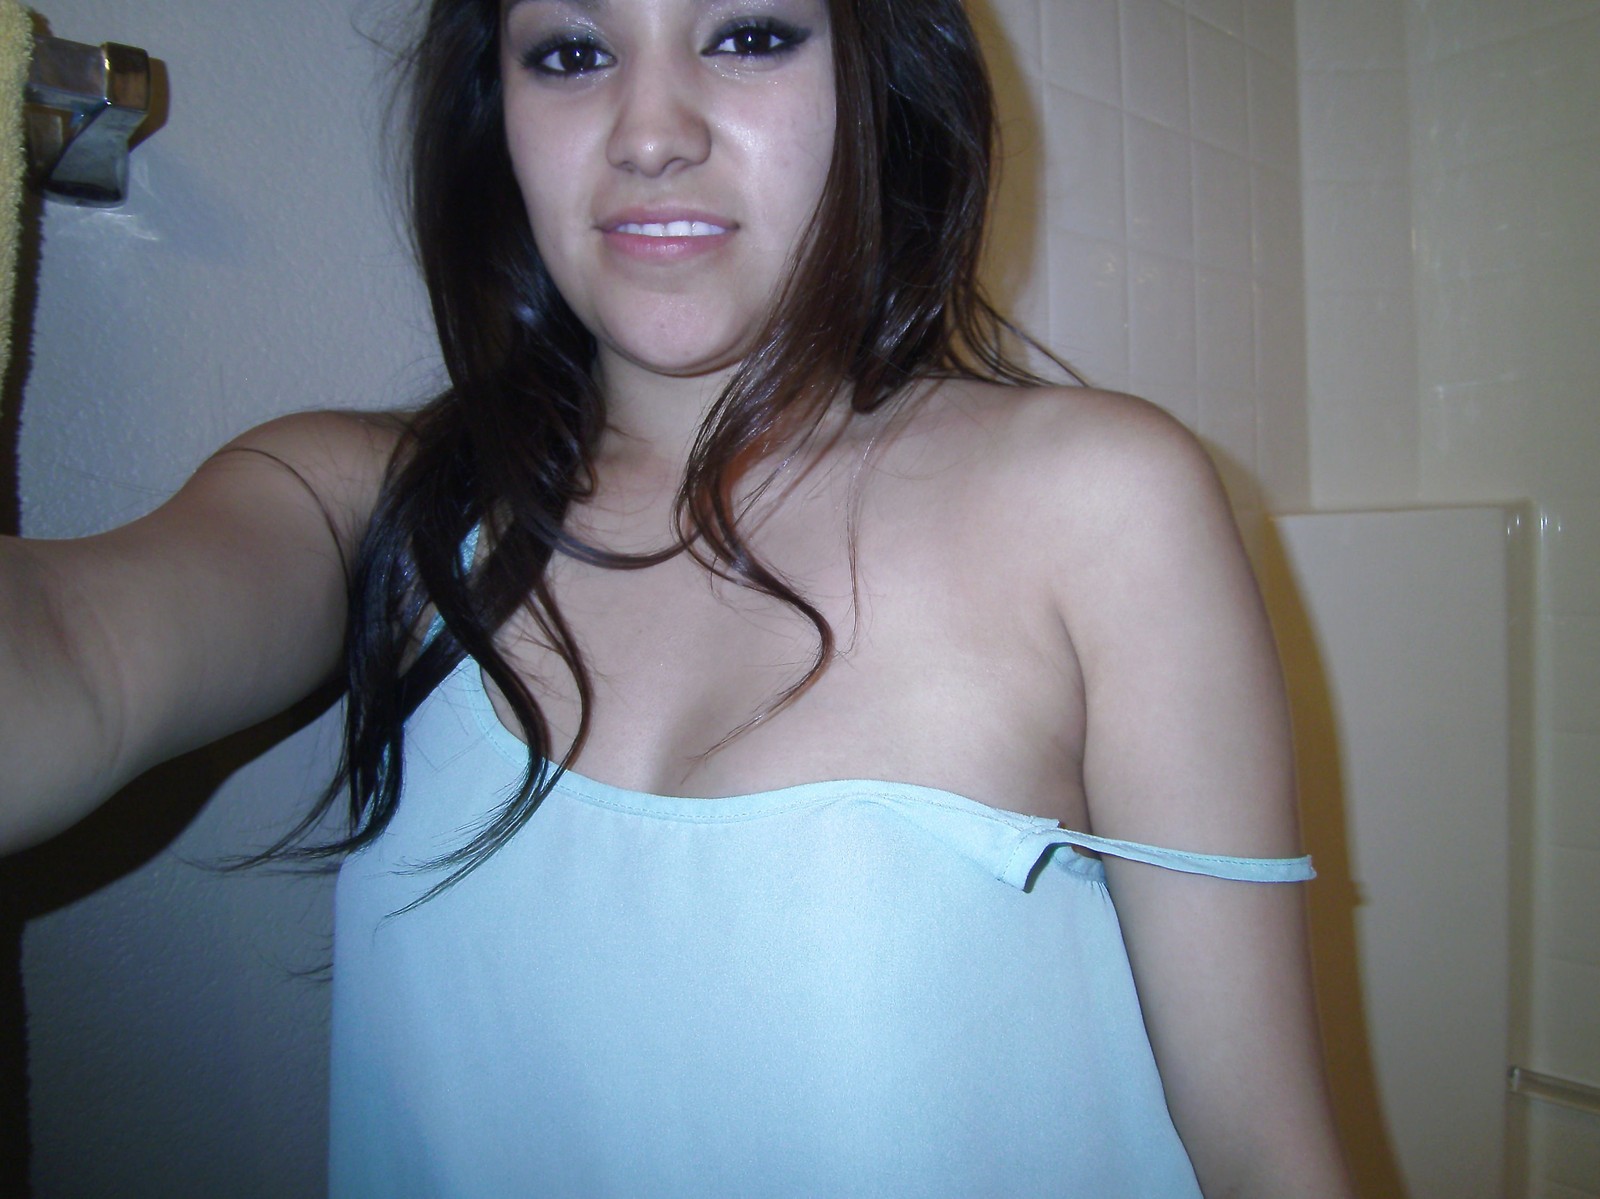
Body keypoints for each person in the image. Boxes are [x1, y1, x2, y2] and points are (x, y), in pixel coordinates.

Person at [2, 0, 1355, 1194]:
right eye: (571, 53)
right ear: (497, 111)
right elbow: (75, 655)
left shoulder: (1099, 502)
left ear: (876, 77)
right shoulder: (366, 506)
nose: (650, 132)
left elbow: (1264, 1162)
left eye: (750, 36)